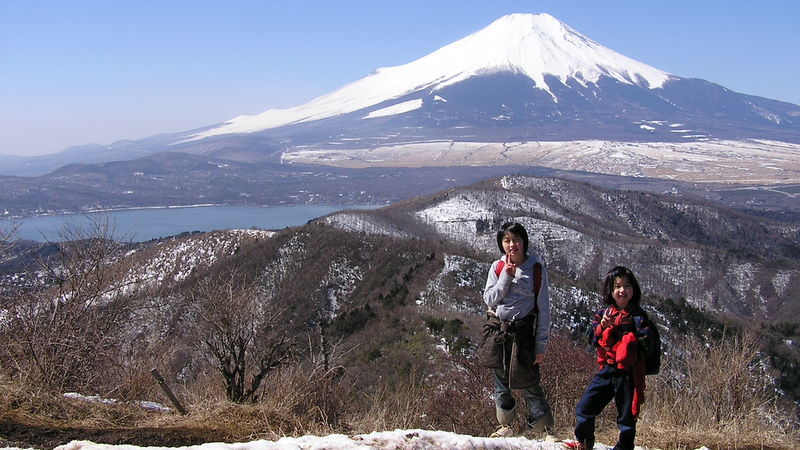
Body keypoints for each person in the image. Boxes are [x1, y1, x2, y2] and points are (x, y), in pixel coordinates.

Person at [481, 222, 553, 438]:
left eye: (516, 240)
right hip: (499, 332)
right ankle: (506, 426)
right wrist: (506, 277)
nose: (512, 245)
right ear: (501, 244)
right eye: (507, 240)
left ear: (524, 242)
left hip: (523, 333)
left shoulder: (536, 270)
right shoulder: (497, 267)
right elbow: (489, 298)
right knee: (501, 380)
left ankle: (543, 428)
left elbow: (544, 309)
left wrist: (541, 344)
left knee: (530, 380)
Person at [572, 266, 657, 450]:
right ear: (610, 291)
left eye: (627, 285)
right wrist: (602, 327)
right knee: (584, 408)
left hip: (628, 373)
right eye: (617, 286)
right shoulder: (603, 314)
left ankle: (624, 447)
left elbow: (647, 345)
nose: (622, 290)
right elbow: (592, 339)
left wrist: (630, 338)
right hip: (607, 369)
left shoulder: (639, 317)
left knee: (627, 417)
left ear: (634, 289)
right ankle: (584, 441)